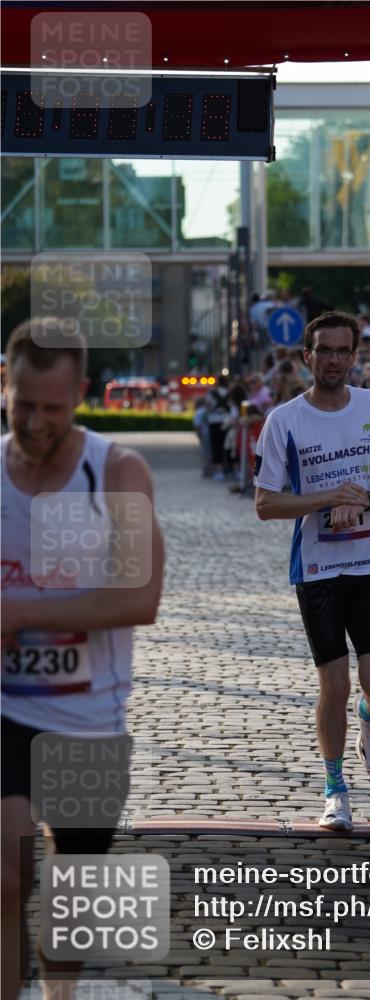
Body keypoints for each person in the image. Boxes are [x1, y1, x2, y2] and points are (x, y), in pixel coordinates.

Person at [1, 317, 165, 1000]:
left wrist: (26, 613)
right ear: (4, 388)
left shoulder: (116, 470)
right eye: (22, 405)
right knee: (7, 874)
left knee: (73, 901)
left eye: (53, 408)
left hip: (90, 721)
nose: (36, 422)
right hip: (7, 709)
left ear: (82, 395)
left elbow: (141, 597)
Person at [253, 311, 370, 831]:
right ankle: (334, 789)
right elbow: (265, 503)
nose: (334, 360)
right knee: (335, 684)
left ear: (354, 356)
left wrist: (363, 500)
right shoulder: (284, 421)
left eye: (344, 351)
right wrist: (329, 500)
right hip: (317, 568)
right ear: (307, 356)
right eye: (324, 350)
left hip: (369, 564)